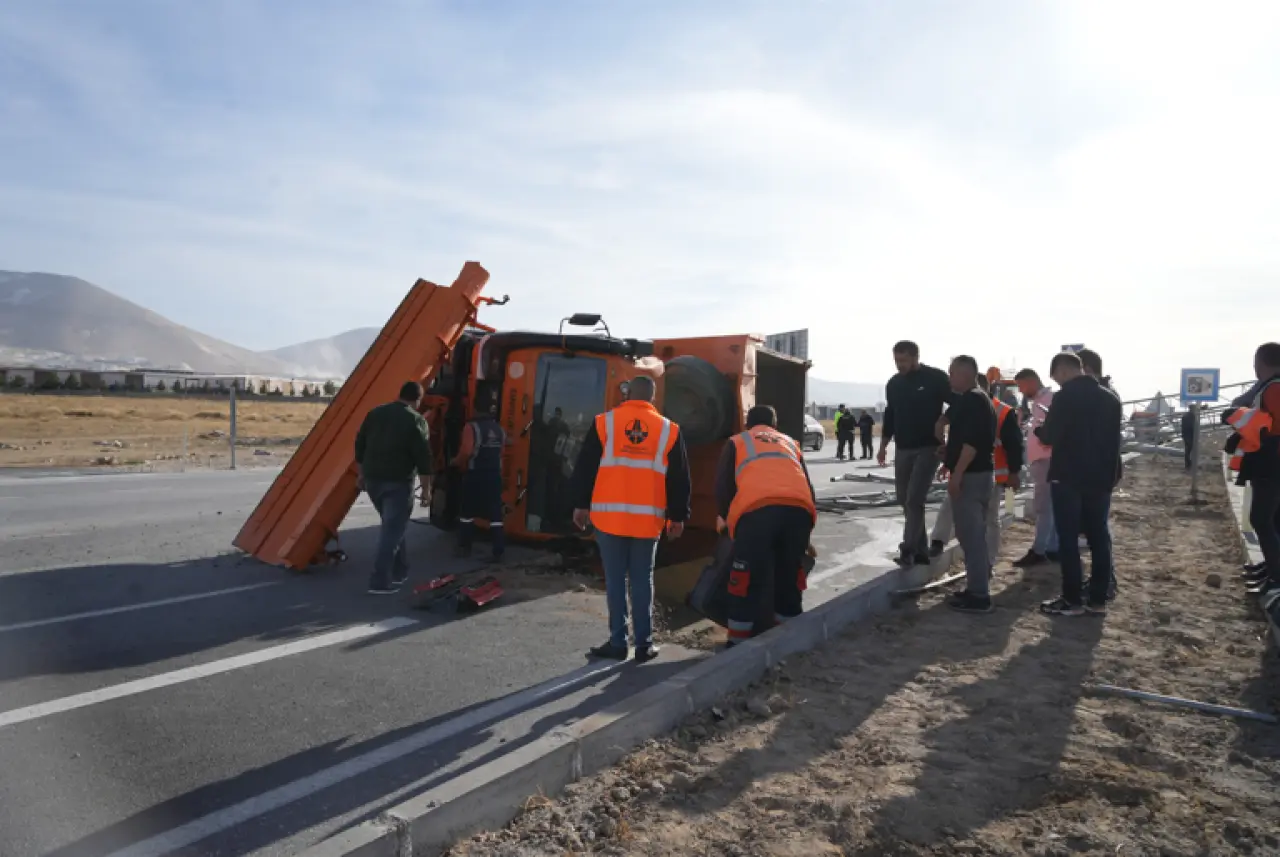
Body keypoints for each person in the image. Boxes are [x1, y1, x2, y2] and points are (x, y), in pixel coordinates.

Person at [571, 376, 692, 662]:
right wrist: (678, 516)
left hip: (609, 517)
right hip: (646, 521)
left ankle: (617, 643)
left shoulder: (605, 423)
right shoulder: (668, 430)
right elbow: (680, 478)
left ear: (627, 394)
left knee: (615, 581)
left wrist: (580, 505)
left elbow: (586, 465)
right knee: (642, 580)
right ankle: (644, 644)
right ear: (652, 396)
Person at [716, 405, 818, 642]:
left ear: (747, 424)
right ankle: (789, 637)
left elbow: (723, 488)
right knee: (789, 575)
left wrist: (729, 523)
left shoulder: (738, 441)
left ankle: (738, 641)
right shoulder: (790, 443)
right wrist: (806, 536)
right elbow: (807, 489)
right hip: (799, 513)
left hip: (756, 514)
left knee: (744, 578)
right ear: (775, 424)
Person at [1037, 352, 1123, 616]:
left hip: (1069, 476)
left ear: (1063, 371)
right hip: (1100, 477)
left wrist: (1039, 428)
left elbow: (1050, 436)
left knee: (1068, 539)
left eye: (1056, 377)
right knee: (1098, 537)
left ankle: (1072, 599)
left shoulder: (1064, 397)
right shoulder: (1110, 398)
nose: (1057, 382)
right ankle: (1098, 599)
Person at [930, 374, 1022, 562]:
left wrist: (1014, 473)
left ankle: (988, 560)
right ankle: (938, 542)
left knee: (989, 518)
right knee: (950, 507)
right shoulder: (964, 406)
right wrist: (948, 462)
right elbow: (955, 437)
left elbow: (1013, 445)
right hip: (967, 470)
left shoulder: (1003, 411)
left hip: (992, 474)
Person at [879, 341, 955, 566]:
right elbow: (890, 415)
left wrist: (944, 421)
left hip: (928, 447)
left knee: (914, 498)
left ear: (915, 358)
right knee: (904, 499)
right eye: (896, 360)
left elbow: (958, 403)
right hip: (903, 448)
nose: (899, 365)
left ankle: (908, 549)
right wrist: (883, 446)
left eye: (903, 360)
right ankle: (921, 549)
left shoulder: (935, 378)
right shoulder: (893, 384)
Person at [354, 381, 434, 594]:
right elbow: (424, 458)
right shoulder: (415, 420)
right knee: (391, 531)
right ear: (417, 400)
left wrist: (361, 474)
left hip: (373, 481)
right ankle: (379, 581)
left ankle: (401, 570)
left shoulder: (375, 413)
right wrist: (426, 490)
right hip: (398, 482)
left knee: (394, 526)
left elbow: (360, 445)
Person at [934, 357, 999, 613]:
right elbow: (963, 440)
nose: (949, 379)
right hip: (979, 475)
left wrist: (957, 474)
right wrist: (948, 459)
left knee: (971, 537)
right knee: (974, 536)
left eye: (952, 374)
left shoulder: (973, 399)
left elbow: (972, 445)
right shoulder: (976, 400)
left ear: (964, 374)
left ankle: (979, 595)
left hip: (972, 477)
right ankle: (976, 588)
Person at [1237, 343, 1280, 604]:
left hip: (1271, 464)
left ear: (1261, 361)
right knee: (1271, 520)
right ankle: (1271, 568)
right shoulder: (1269, 387)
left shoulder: (1274, 389)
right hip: (1268, 462)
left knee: (1261, 519)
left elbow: (1272, 427)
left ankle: (1276, 577)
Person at [452, 394, 508, 561]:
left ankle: (464, 546)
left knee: (467, 512)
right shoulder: (499, 429)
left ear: (475, 408)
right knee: (495, 514)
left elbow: (466, 452)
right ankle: (498, 550)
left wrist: (455, 462)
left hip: (475, 475)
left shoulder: (471, 427)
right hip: (494, 476)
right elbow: (501, 453)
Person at [1012, 368, 1059, 567]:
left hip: (1046, 459)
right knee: (1050, 506)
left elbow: (1049, 431)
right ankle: (1052, 547)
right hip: (1044, 459)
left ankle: (1040, 549)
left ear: (1031, 381)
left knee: (1044, 506)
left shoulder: (1047, 401)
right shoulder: (1041, 402)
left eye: (1022, 386)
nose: (1021, 391)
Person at [1181, 406, 1197, 471]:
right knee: (1191, 450)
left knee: (1187, 450)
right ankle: (1189, 464)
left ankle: (1188, 464)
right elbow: (1192, 426)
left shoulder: (1185, 416)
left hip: (1186, 435)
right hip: (1191, 435)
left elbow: (1182, 427)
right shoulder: (1192, 416)